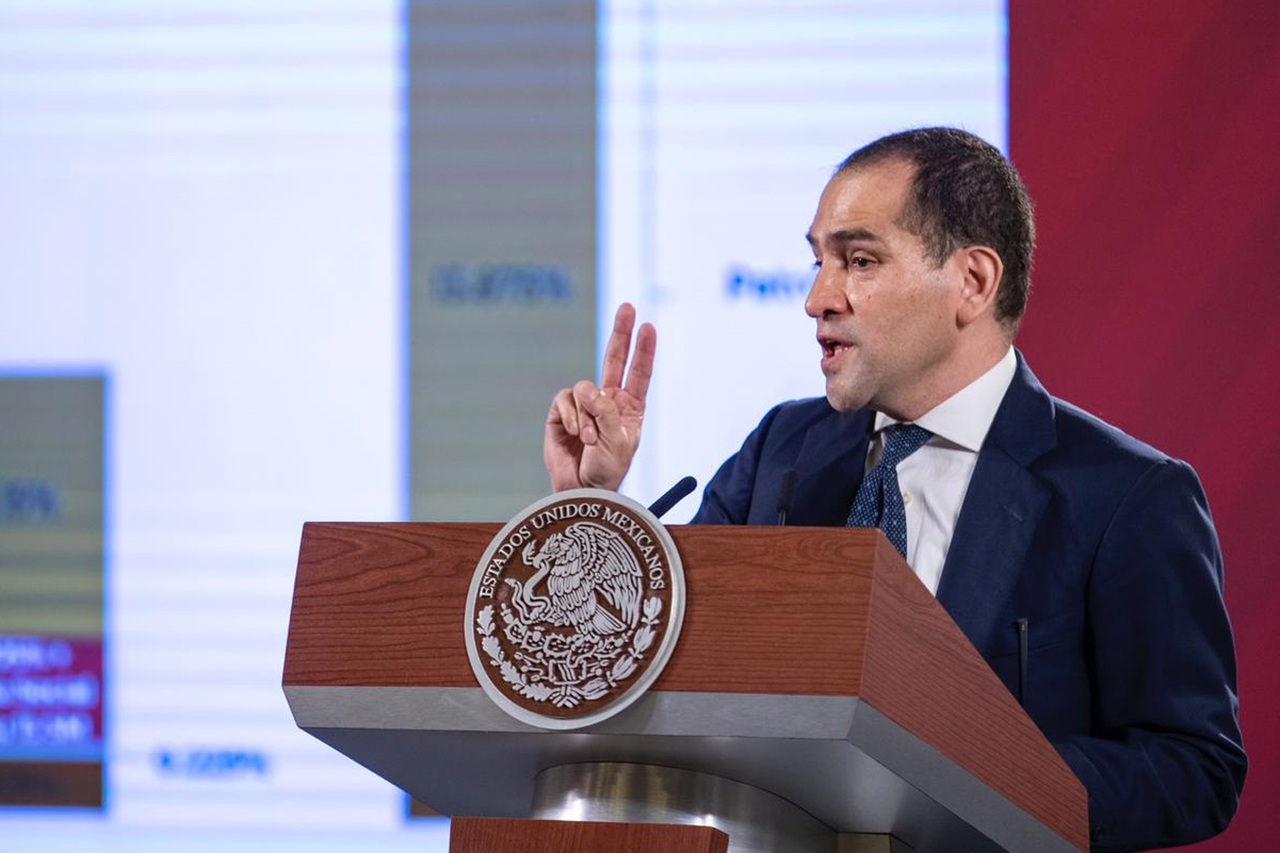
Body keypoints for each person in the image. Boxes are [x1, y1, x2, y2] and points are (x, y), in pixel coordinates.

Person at [543, 127, 1245, 852]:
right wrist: (593, 510)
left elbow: (1194, 766)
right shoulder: (783, 447)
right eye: (817, 261)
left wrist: (978, 774)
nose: (817, 298)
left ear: (972, 282)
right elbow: (665, 655)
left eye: (859, 260)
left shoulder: (1124, 497)